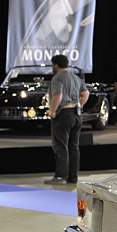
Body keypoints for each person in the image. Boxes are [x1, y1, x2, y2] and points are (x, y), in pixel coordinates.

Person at [46, 54, 89, 185]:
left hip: (63, 114)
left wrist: (52, 111)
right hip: (76, 115)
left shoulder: (57, 78)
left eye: (52, 65)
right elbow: (85, 93)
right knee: (74, 147)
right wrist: (80, 105)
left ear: (56, 65)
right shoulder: (75, 77)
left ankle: (60, 177)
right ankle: (72, 177)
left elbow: (58, 95)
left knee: (60, 146)